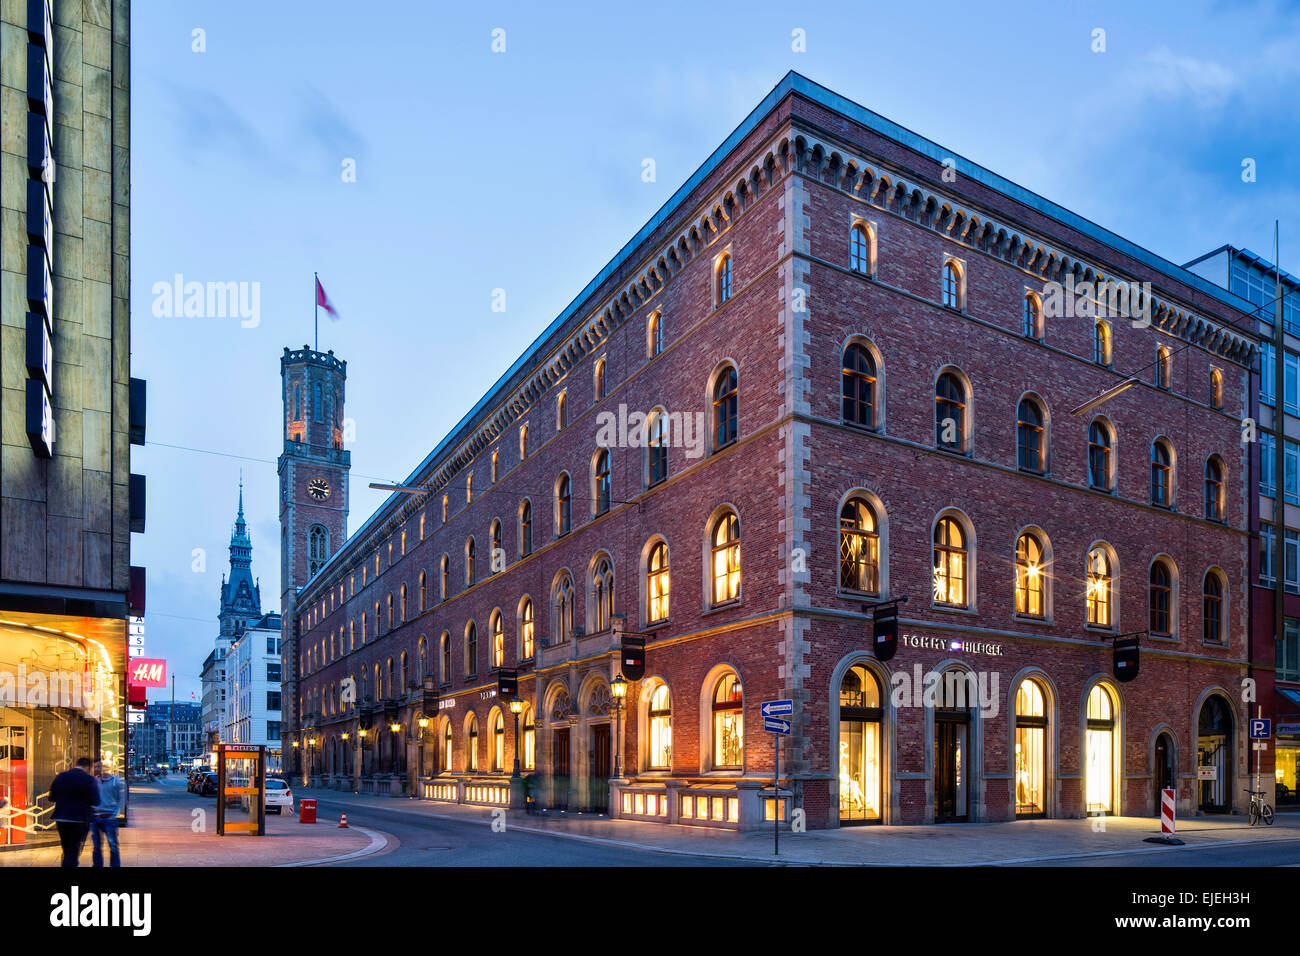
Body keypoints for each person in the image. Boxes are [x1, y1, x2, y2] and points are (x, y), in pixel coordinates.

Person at [48, 757, 100, 867]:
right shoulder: (89, 779)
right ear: (88, 767)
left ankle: (67, 863)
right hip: (79, 819)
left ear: (76, 764)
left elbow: (51, 797)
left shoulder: (61, 776)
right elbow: (96, 801)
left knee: (66, 847)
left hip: (61, 818)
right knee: (73, 849)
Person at [91, 760, 123, 867]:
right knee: (96, 846)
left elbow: (121, 800)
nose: (98, 769)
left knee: (113, 845)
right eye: (95, 767)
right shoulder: (94, 781)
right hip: (96, 817)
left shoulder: (115, 781)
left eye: (99, 766)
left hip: (109, 817)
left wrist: (114, 815)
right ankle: (97, 865)